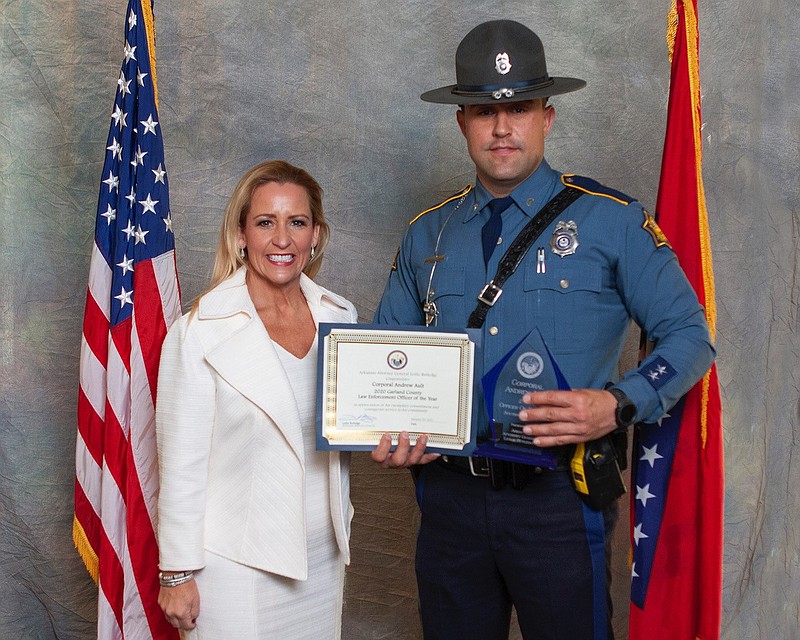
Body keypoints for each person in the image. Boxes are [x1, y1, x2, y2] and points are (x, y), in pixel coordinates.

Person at [372, 20, 715, 640]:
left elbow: (690, 335)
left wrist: (617, 403)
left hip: (559, 500)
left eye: (520, 108)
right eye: (483, 111)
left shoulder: (610, 221)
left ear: (547, 118)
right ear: (462, 122)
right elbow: (387, 358)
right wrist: (387, 427)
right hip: (449, 500)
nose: (502, 127)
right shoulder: (428, 234)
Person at [155, 160, 358, 638]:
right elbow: (180, 464)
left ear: (316, 235)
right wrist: (176, 572)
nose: (282, 240)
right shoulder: (199, 331)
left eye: (297, 222)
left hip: (323, 554)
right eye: (266, 222)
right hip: (233, 565)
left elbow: (355, 423)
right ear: (242, 233)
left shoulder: (342, 317)